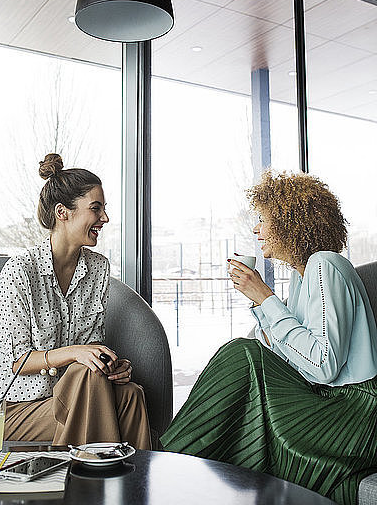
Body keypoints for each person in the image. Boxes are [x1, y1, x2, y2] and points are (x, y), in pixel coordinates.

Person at [160, 170, 377, 505]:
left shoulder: (325, 265)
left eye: (263, 219)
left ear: (291, 221)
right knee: (243, 356)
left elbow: (323, 365)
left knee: (241, 354)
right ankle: (178, 466)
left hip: (354, 411)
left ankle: (166, 463)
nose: (256, 228)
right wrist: (262, 303)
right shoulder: (302, 277)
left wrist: (265, 298)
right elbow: (289, 353)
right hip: (325, 399)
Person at [0, 153, 151, 449]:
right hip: (16, 408)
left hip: (75, 390)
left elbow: (90, 347)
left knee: (131, 394)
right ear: (63, 212)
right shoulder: (20, 270)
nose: (105, 218)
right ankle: (91, 483)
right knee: (89, 379)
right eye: (95, 209)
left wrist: (108, 364)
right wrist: (77, 354)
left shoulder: (98, 268)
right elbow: (17, 361)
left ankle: (136, 487)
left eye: (104, 209)